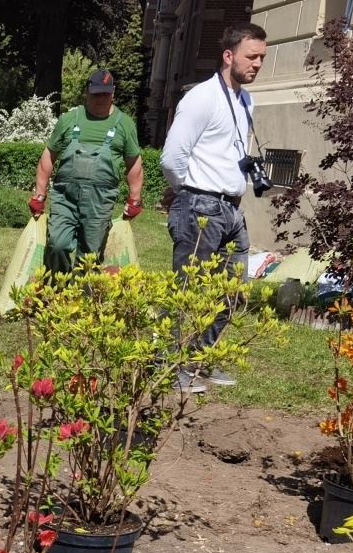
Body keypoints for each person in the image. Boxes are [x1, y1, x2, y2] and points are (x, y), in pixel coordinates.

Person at [159, 22, 269, 391]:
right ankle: (169, 366)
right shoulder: (201, 98)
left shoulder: (246, 100)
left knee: (232, 289)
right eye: (251, 56)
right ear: (228, 56)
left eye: (262, 57)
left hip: (232, 210)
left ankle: (201, 359)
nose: (257, 64)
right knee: (187, 288)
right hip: (200, 206)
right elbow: (172, 157)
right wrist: (185, 192)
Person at [29, 68, 144, 272]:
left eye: (105, 94)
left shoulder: (125, 124)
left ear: (113, 93)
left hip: (100, 200)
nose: (100, 98)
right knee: (57, 244)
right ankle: (58, 285)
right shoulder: (69, 120)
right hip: (66, 197)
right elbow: (48, 156)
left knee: (89, 254)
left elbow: (134, 163)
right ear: (87, 92)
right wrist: (39, 193)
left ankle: (82, 290)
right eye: (96, 93)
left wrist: (134, 198)